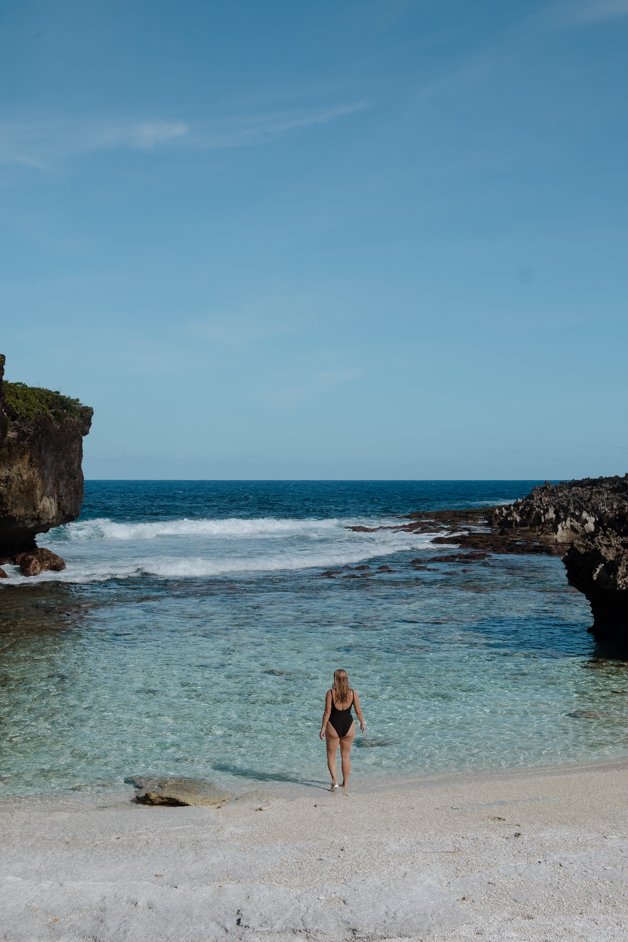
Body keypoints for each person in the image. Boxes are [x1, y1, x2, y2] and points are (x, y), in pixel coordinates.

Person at [319, 669, 366, 791]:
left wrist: (323, 727)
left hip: (333, 726)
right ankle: (345, 783)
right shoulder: (353, 693)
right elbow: (358, 711)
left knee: (331, 755)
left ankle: (334, 782)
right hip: (348, 725)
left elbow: (327, 712)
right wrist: (362, 722)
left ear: (335, 679)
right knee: (345, 756)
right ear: (346, 679)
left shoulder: (330, 693)